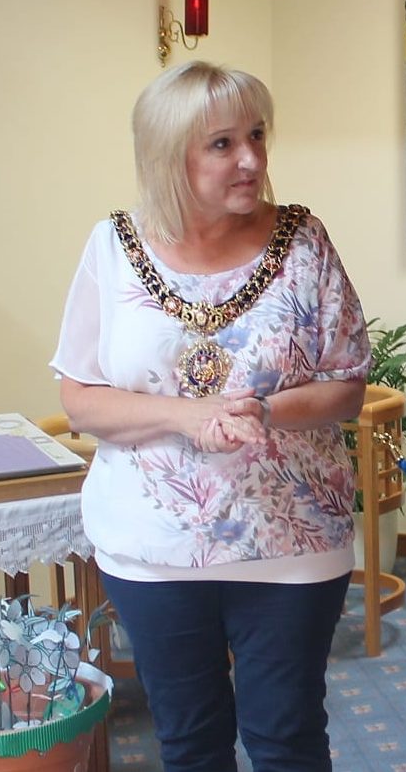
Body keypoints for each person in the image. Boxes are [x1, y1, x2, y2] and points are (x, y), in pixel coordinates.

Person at [50, 60, 370, 772]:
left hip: (292, 540)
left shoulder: (303, 238)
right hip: (152, 546)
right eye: (222, 143)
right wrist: (187, 417)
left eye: (256, 135)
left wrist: (259, 408)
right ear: (170, 155)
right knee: (191, 742)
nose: (251, 158)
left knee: (286, 736)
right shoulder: (111, 247)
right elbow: (81, 397)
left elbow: (346, 384)